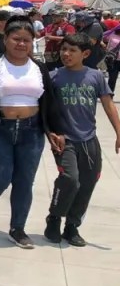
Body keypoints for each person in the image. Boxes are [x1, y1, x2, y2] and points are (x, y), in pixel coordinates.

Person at [0, 16, 65, 249]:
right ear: (6, 39)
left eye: (27, 40)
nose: (21, 44)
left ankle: (17, 228)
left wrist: (56, 130)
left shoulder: (39, 68)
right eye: (16, 39)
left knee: (24, 181)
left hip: (31, 132)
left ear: (33, 42)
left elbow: (49, 101)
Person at [44, 33, 120, 246]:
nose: (66, 54)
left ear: (85, 54)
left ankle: (72, 226)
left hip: (89, 140)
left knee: (88, 182)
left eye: (72, 51)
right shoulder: (54, 76)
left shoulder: (96, 76)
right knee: (70, 179)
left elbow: (107, 104)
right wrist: (50, 132)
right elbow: (45, 109)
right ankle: (54, 218)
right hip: (64, 139)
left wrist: (118, 131)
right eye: (64, 49)